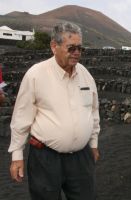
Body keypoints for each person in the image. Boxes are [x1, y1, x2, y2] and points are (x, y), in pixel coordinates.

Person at [8, 22, 100, 200]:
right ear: (54, 46)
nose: (76, 52)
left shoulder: (86, 75)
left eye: (80, 48)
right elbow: (21, 117)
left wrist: (94, 144)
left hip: (81, 157)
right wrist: (17, 155)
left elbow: (93, 111)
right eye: (71, 47)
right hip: (45, 158)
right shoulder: (36, 74)